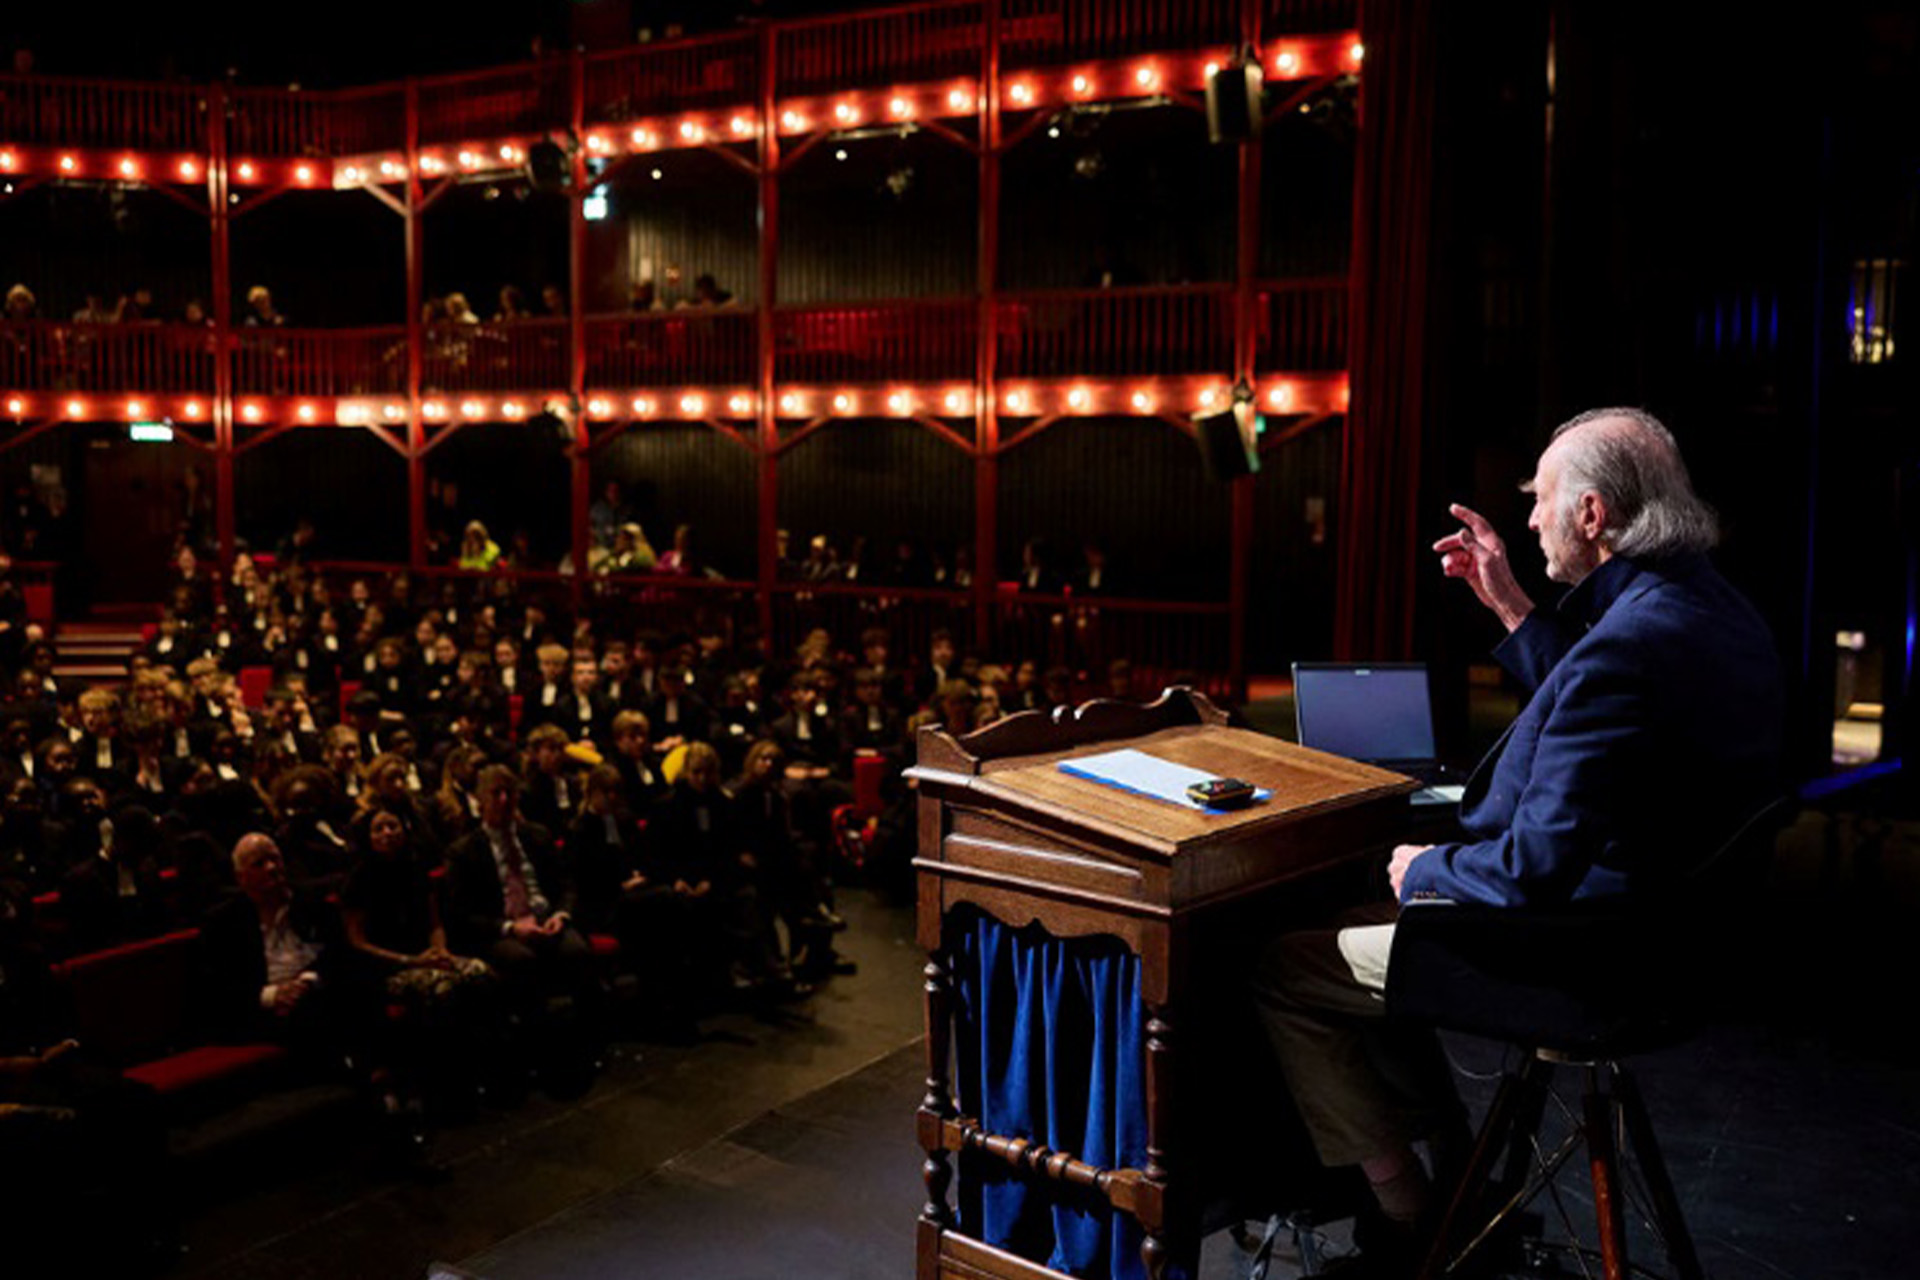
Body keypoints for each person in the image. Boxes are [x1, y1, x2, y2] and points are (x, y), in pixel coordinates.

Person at [1251, 407, 1784, 1269]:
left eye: (1543, 497)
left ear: (1592, 515)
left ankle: (1412, 1224)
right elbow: (1593, 712)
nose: (1529, 515)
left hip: (1585, 962)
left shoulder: (1631, 643)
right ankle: (1463, 1178)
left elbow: (1532, 866)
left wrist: (1431, 866)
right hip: (1678, 952)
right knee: (1376, 922)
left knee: (1287, 966)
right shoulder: (1712, 613)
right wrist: (1505, 600)